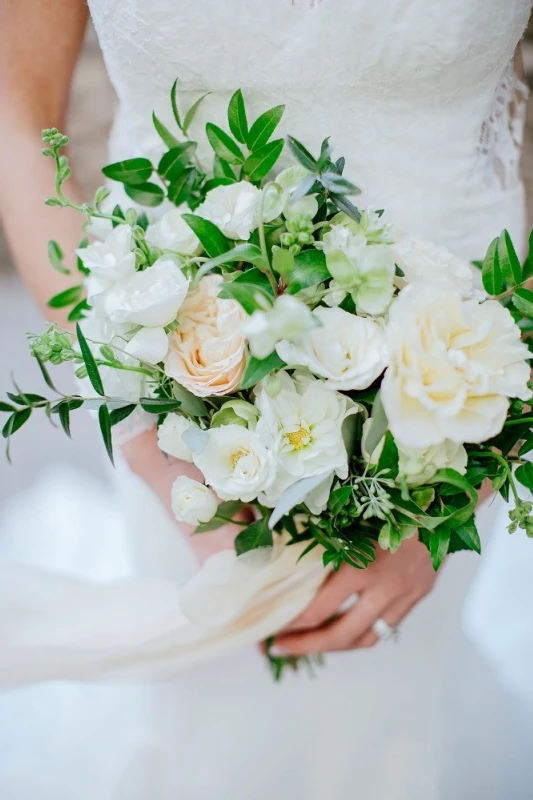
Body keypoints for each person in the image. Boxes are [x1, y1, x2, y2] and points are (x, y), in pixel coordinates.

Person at [0, 1, 532, 797]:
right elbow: (15, 106)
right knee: (213, 699)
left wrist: (469, 481)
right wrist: (144, 433)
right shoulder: (153, 419)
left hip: (463, 379)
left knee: (389, 704)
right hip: (166, 375)